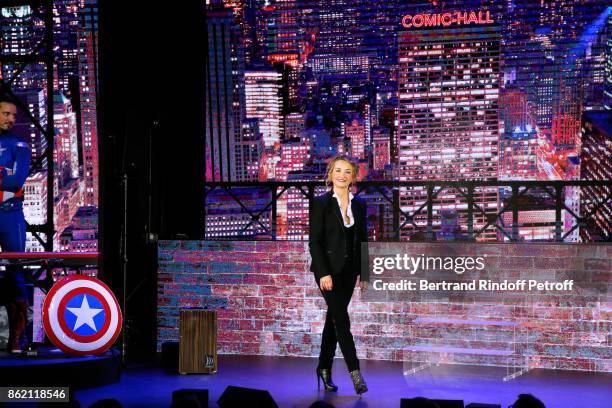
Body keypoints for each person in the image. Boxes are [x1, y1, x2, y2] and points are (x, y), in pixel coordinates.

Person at [309, 155, 369, 395]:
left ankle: (323, 367)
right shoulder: (321, 203)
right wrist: (323, 273)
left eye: (347, 172)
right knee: (342, 322)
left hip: (349, 273)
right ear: (330, 174)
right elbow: (315, 242)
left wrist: (365, 274)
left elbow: (363, 241)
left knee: (333, 322)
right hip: (328, 273)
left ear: (353, 176)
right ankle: (356, 373)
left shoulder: (359, 205)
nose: (342, 176)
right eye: (338, 171)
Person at [0, 97, 32, 353]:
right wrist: (3, 172)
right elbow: (7, 177)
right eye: (6, 114)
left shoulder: (20, 144)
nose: (11, 119)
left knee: (16, 274)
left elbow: (16, 181)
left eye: (13, 114)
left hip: (11, 215)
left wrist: (7, 177)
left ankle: (16, 339)